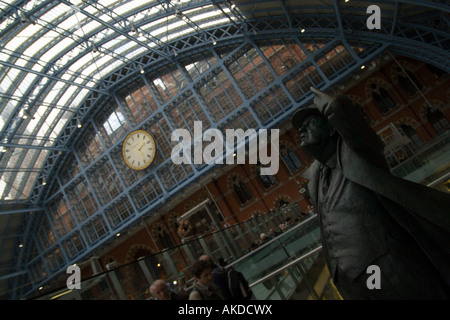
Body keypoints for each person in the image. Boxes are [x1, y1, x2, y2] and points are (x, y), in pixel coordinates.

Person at [290, 86, 450, 300]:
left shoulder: (357, 151)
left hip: (389, 264)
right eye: (300, 127)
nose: (301, 130)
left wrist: (324, 100)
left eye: (309, 123)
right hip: (352, 279)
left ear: (331, 128)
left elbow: (344, 114)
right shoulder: (316, 179)